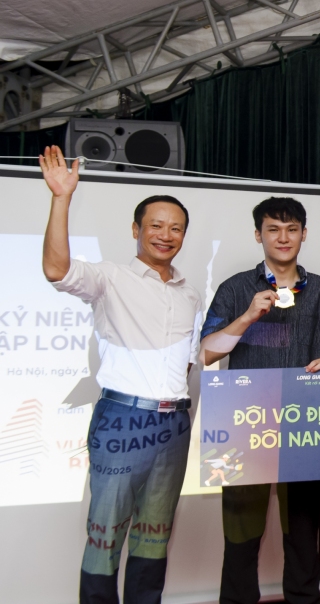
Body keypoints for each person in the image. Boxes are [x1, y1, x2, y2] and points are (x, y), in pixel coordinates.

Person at [39, 145, 203, 604]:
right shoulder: (110, 277)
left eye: (176, 228)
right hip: (123, 419)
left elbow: (187, 361)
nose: (166, 235)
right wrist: (61, 198)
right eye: (156, 225)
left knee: (155, 536)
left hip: (174, 423)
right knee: (105, 536)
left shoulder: (190, 293)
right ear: (136, 229)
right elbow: (56, 269)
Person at [200, 196, 320, 604]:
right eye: (273, 229)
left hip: (304, 424)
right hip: (246, 424)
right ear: (258, 235)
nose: (283, 237)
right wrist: (246, 316)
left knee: (303, 536)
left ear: (304, 234)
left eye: (291, 229)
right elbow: (206, 352)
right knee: (241, 537)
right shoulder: (235, 288)